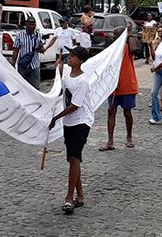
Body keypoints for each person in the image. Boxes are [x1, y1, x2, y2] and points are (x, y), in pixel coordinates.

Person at [48, 46, 93, 215]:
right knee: (73, 159)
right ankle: (80, 196)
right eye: (70, 55)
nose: (70, 58)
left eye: (73, 56)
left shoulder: (82, 81)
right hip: (69, 122)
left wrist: (56, 117)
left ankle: (69, 198)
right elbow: (62, 78)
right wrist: (58, 66)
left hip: (81, 121)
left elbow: (75, 105)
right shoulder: (68, 73)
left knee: (74, 157)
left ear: (80, 61)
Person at [100, 27, 138, 151]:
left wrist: (130, 34)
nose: (114, 36)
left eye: (116, 34)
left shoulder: (127, 47)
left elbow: (134, 49)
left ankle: (129, 137)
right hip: (113, 86)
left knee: (127, 112)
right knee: (111, 111)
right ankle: (110, 140)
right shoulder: (112, 49)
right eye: (114, 34)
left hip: (127, 85)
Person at [11, 17, 44, 89]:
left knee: (35, 87)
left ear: (35, 25)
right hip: (23, 65)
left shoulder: (39, 36)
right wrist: (13, 64)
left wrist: (40, 48)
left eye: (32, 24)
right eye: (29, 24)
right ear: (26, 24)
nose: (31, 26)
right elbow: (16, 50)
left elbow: (42, 50)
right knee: (22, 87)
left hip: (34, 65)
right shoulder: (20, 35)